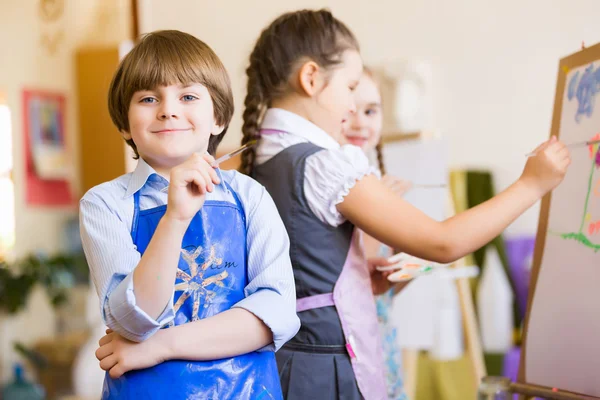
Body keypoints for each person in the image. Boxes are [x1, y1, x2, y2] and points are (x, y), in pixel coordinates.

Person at [239, 9, 570, 400]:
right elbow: (443, 242)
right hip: (324, 372)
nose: (351, 109)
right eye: (349, 88)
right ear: (311, 78)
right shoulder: (323, 164)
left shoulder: (264, 155)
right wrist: (532, 185)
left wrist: (357, 279)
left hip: (288, 364)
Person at [80, 30, 299, 400]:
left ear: (218, 118)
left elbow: (274, 315)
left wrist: (160, 346)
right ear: (123, 123)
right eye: (148, 98)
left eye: (188, 96)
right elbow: (131, 320)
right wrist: (175, 218)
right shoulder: (104, 203)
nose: (168, 109)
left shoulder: (250, 196)